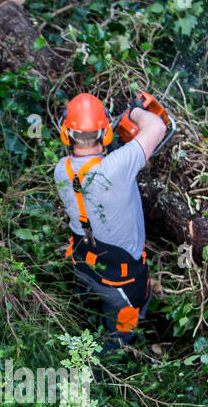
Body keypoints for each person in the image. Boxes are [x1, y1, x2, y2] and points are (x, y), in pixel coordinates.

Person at [54, 91, 168, 355]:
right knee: (121, 333)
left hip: (83, 262)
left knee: (86, 305)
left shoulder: (62, 168)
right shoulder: (117, 167)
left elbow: (92, 173)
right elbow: (158, 126)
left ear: (65, 133)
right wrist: (136, 111)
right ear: (105, 134)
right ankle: (109, 374)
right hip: (121, 282)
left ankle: (82, 321)